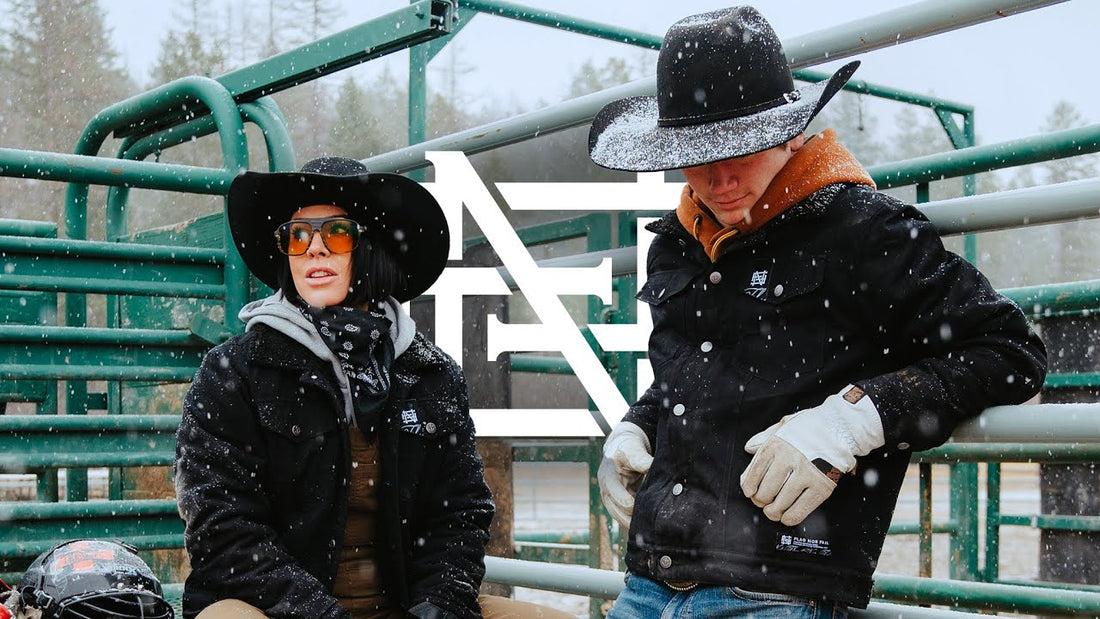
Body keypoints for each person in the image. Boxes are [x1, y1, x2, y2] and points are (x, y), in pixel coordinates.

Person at [588, 6, 1047, 617]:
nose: (719, 179)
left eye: (740, 150)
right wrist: (640, 426)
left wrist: (853, 421)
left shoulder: (861, 232)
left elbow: (1011, 352)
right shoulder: (678, 243)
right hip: (649, 578)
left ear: (791, 133)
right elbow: (694, 370)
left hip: (777, 588)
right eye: (696, 154)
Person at [175, 157, 573, 619]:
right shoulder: (235, 371)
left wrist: (436, 608)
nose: (314, 250)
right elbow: (222, 529)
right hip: (275, 610)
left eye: (336, 233)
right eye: (297, 236)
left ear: (370, 248)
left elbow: (460, 514)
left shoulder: (430, 373)